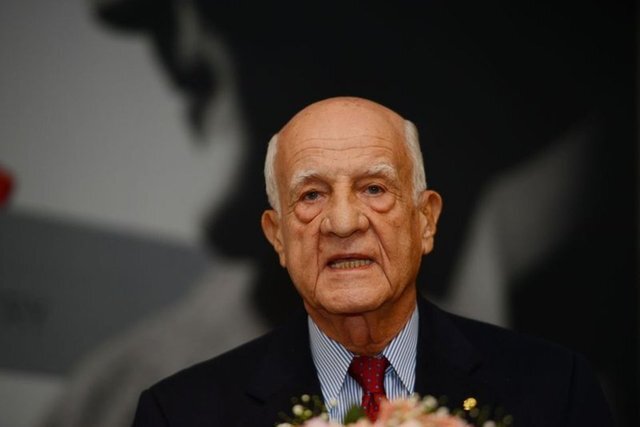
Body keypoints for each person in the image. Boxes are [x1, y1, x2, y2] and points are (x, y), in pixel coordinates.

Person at [130, 97, 614, 426]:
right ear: (278, 237)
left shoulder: (555, 390)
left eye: (374, 189)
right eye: (312, 194)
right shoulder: (181, 413)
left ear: (425, 221)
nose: (343, 223)